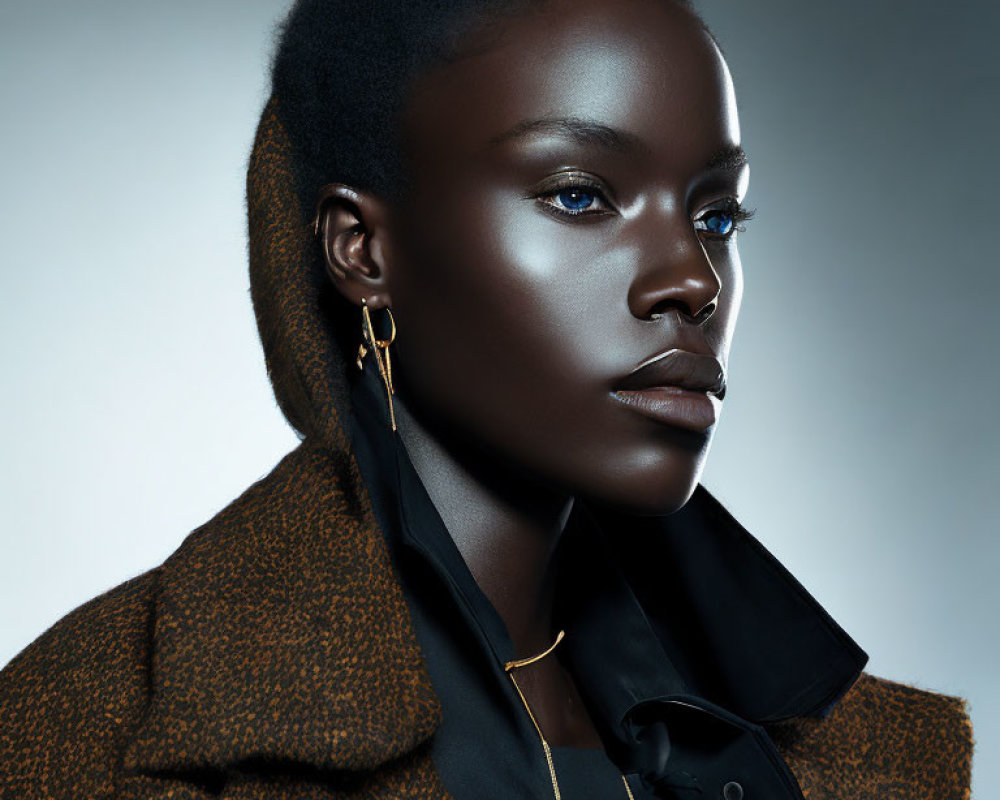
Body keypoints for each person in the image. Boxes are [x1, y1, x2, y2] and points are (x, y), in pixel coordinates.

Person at [0, 0, 974, 798]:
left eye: (715, 212)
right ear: (364, 250)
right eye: (582, 194)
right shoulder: (77, 733)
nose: (692, 278)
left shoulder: (865, 757)